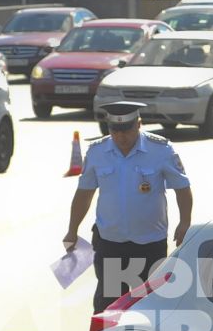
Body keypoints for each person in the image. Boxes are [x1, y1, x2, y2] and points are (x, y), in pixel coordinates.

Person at [64, 100, 193, 312]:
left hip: (150, 242)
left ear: (138, 124)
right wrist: (72, 230)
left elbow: (182, 187)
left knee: (152, 305)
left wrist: (185, 222)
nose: (121, 137)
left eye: (127, 130)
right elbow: (84, 194)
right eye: (115, 130)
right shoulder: (97, 152)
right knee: (109, 307)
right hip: (110, 242)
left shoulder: (160, 150)